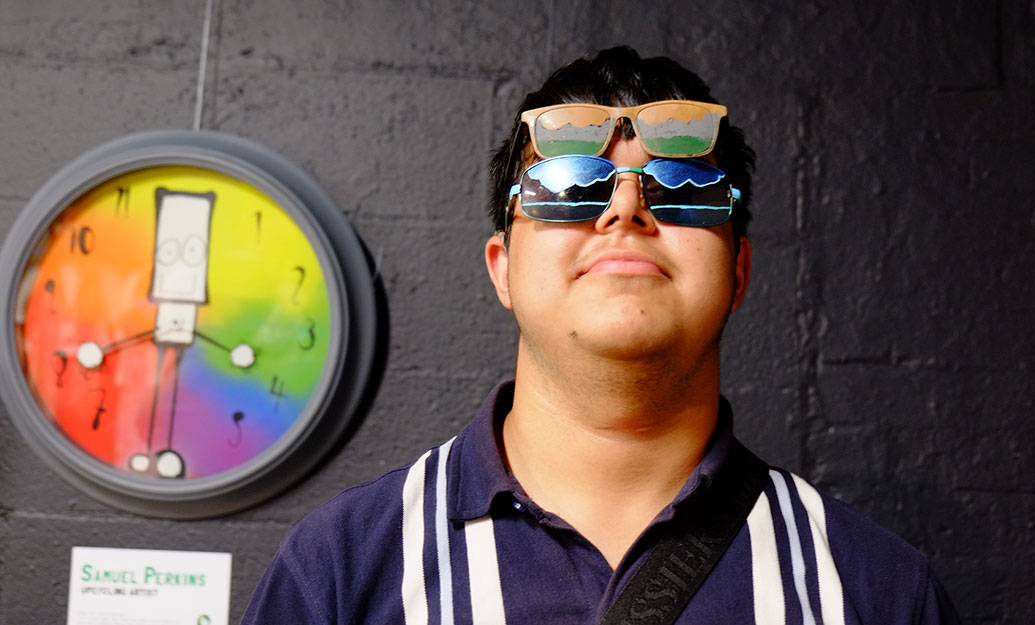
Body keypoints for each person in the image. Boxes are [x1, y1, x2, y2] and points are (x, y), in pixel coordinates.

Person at [242, 46, 959, 624]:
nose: (625, 211)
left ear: (738, 270)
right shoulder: (340, 572)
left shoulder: (874, 589)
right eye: (568, 188)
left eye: (681, 188)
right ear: (503, 268)